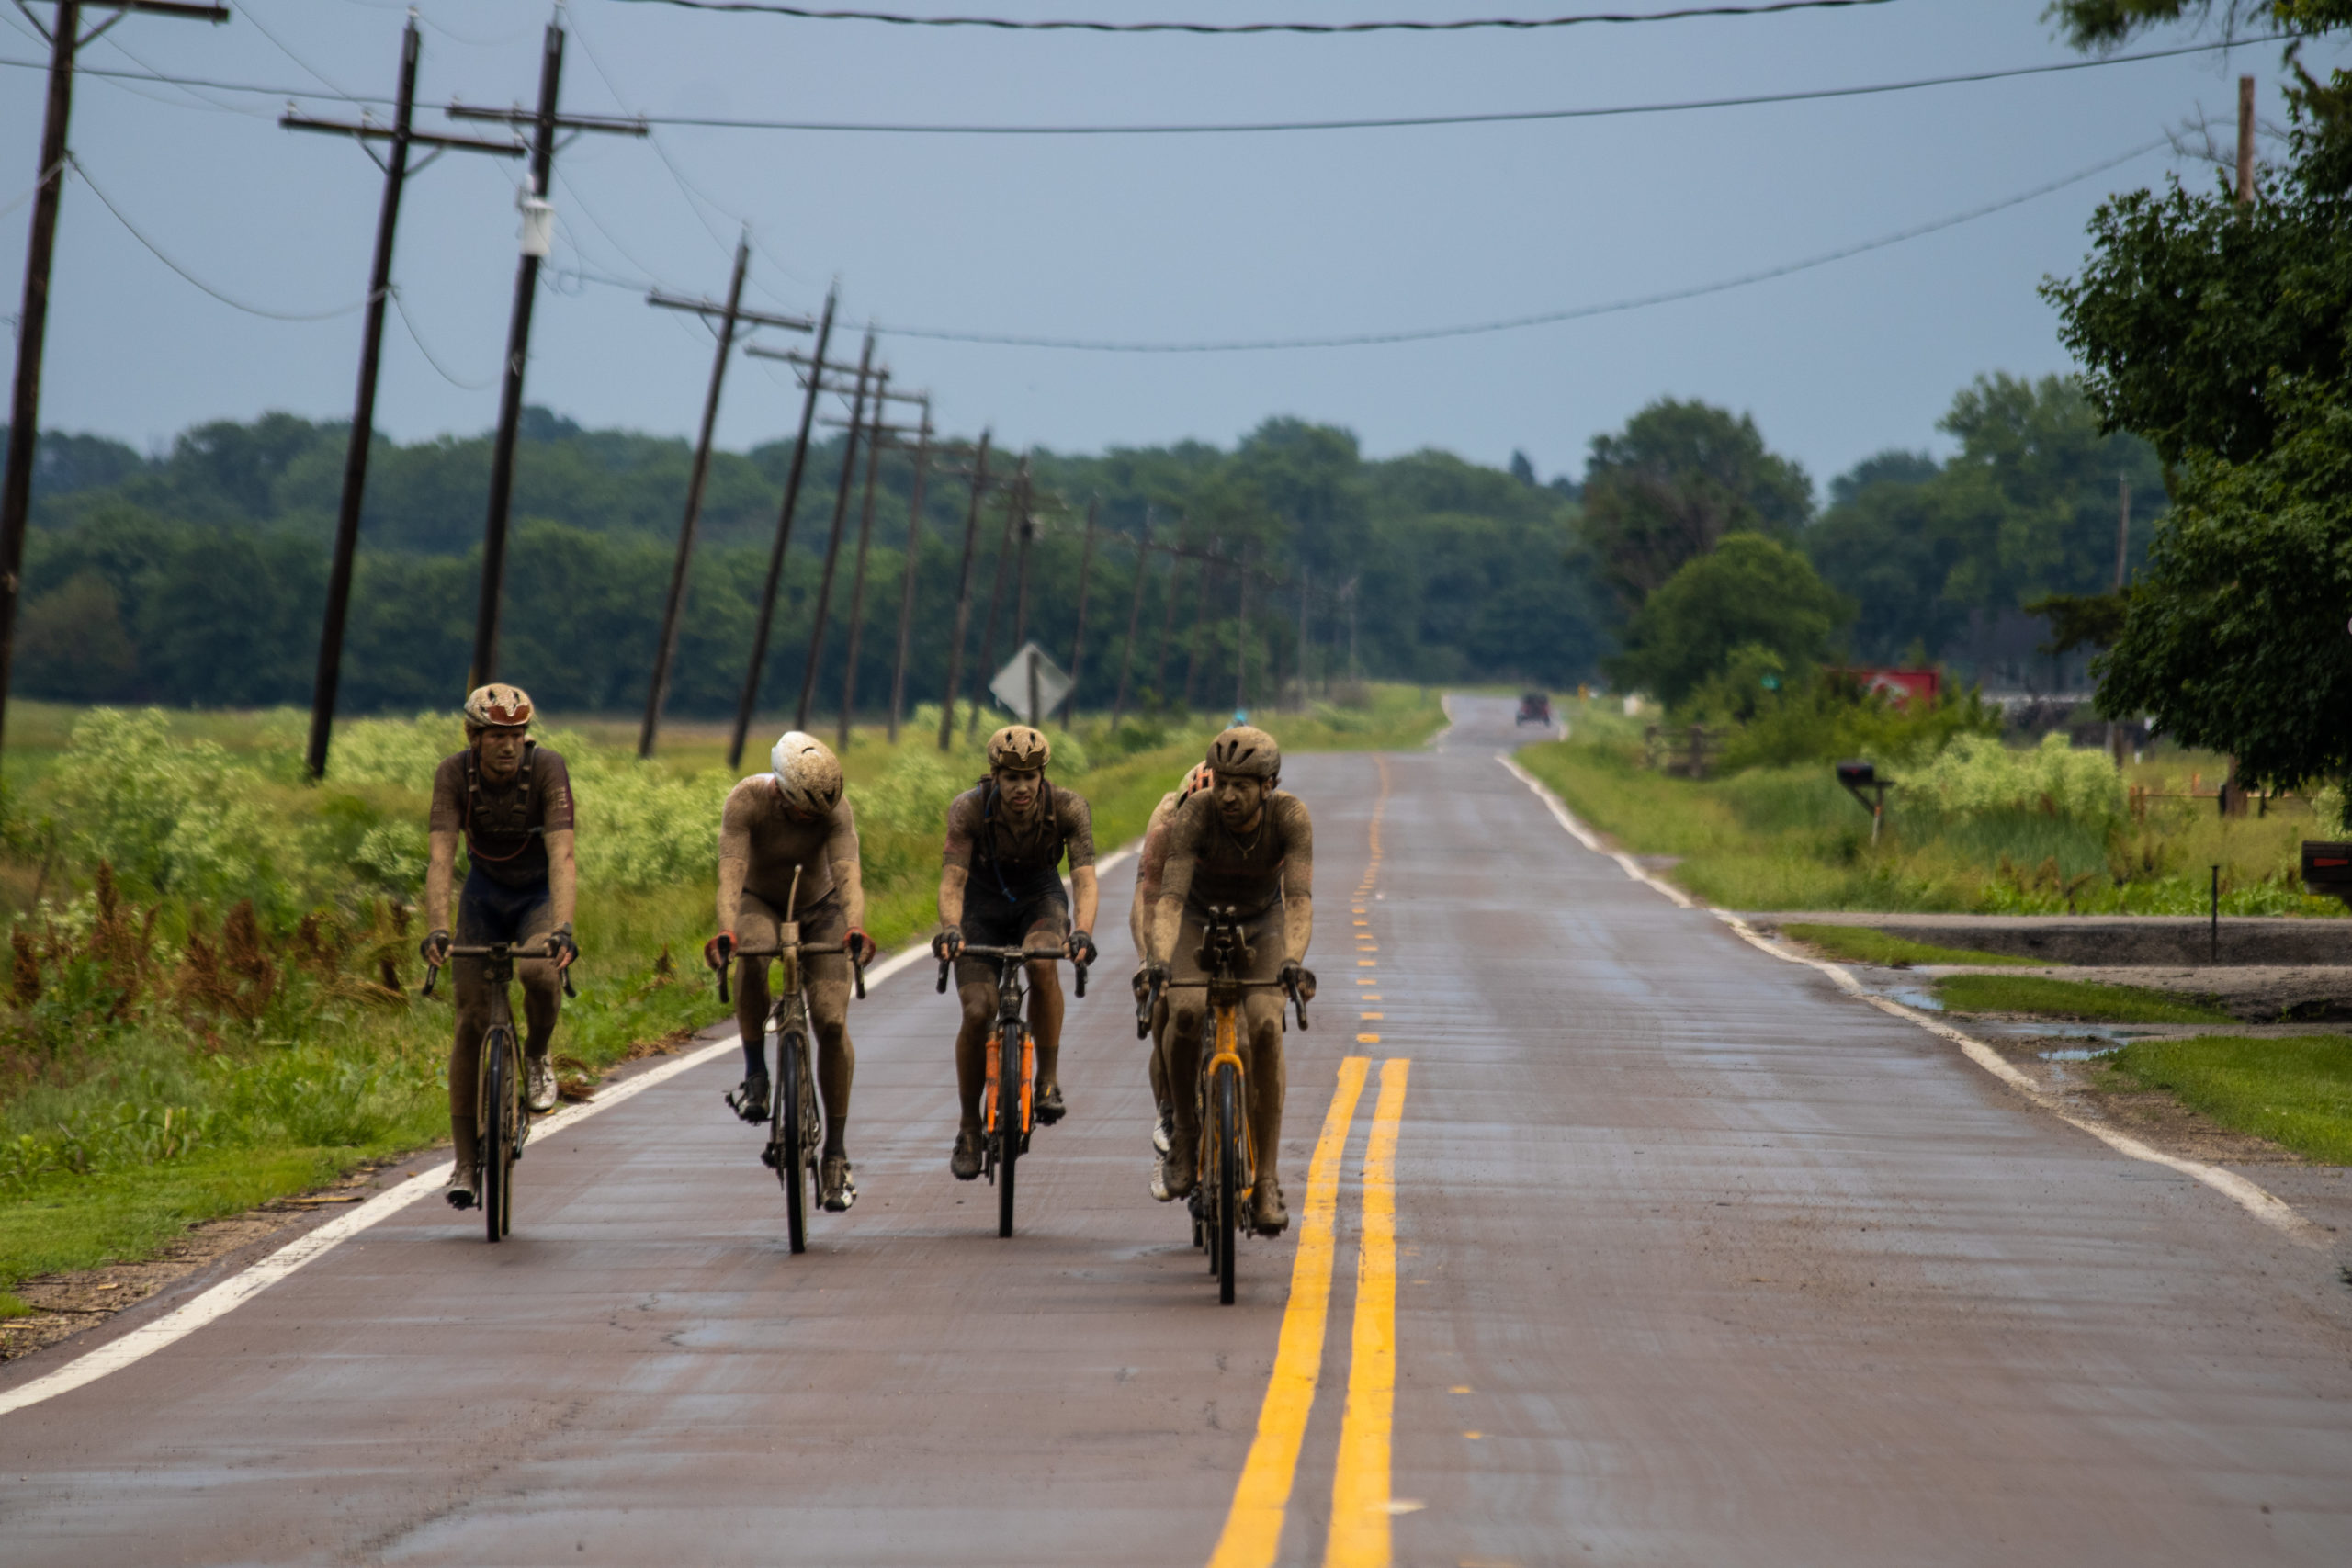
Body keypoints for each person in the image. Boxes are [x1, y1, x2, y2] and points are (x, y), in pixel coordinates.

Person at [1147, 726, 1314, 1237]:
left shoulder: (1291, 818)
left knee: (1265, 1025)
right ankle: (1186, 1140)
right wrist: (1158, 959)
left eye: (1242, 784)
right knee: (1187, 1010)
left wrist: (1292, 958)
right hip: (1197, 915)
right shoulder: (1195, 814)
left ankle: (1265, 1181)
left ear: (1269, 785)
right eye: (1222, 782)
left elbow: (1301, 901)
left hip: (1263, 921)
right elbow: (1170, 900)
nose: (1228, 795)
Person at [421, 684, 580, 1212]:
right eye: (496, 736)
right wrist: (438, 929)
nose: (509, 746)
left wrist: (563, 927)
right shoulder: (452, 775)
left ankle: (535, 1054)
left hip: (535, 897)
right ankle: (465, 1163)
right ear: (473, 737)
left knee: (538, 972)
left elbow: (564, 855)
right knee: (469, 1021)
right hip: (484, 898)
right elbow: (441, 859)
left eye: (516, 735)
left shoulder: (548, 769)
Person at [705, 731, 876, 1213]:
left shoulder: (835, 809)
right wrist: (726, 932)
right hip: (760, 901)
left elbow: (848, 872)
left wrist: (857, 927)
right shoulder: (746, 800)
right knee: (755, 954)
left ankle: (836, 1155)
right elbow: (731, 872)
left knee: (832, 1020)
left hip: (821, 907)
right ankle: (756, 1074)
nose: (811, 820)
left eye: (818, 814)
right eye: (803, 811)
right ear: (779, 788)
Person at [932, 725, 1099, 1181]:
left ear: (1043, 774)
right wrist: (950, 929)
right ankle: (969, 1127)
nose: (1021, 788)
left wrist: (1081, 932)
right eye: (1011, 778)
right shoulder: (967, 809)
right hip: (980, 907)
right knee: (977, 1009)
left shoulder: (1069, 808)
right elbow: (952, 883)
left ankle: (1047, 1080)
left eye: (1030, 778)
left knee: (1043, 962)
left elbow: (1083, 878)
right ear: (995, 776)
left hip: (1039, 901)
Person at [1131, 762, 1213, 1199]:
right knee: (1163, 998)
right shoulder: (1165, 824)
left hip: (1224, 903)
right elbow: (1151, 908)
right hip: (1166, 902)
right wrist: (1152, 964)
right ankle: (1168, 1112)